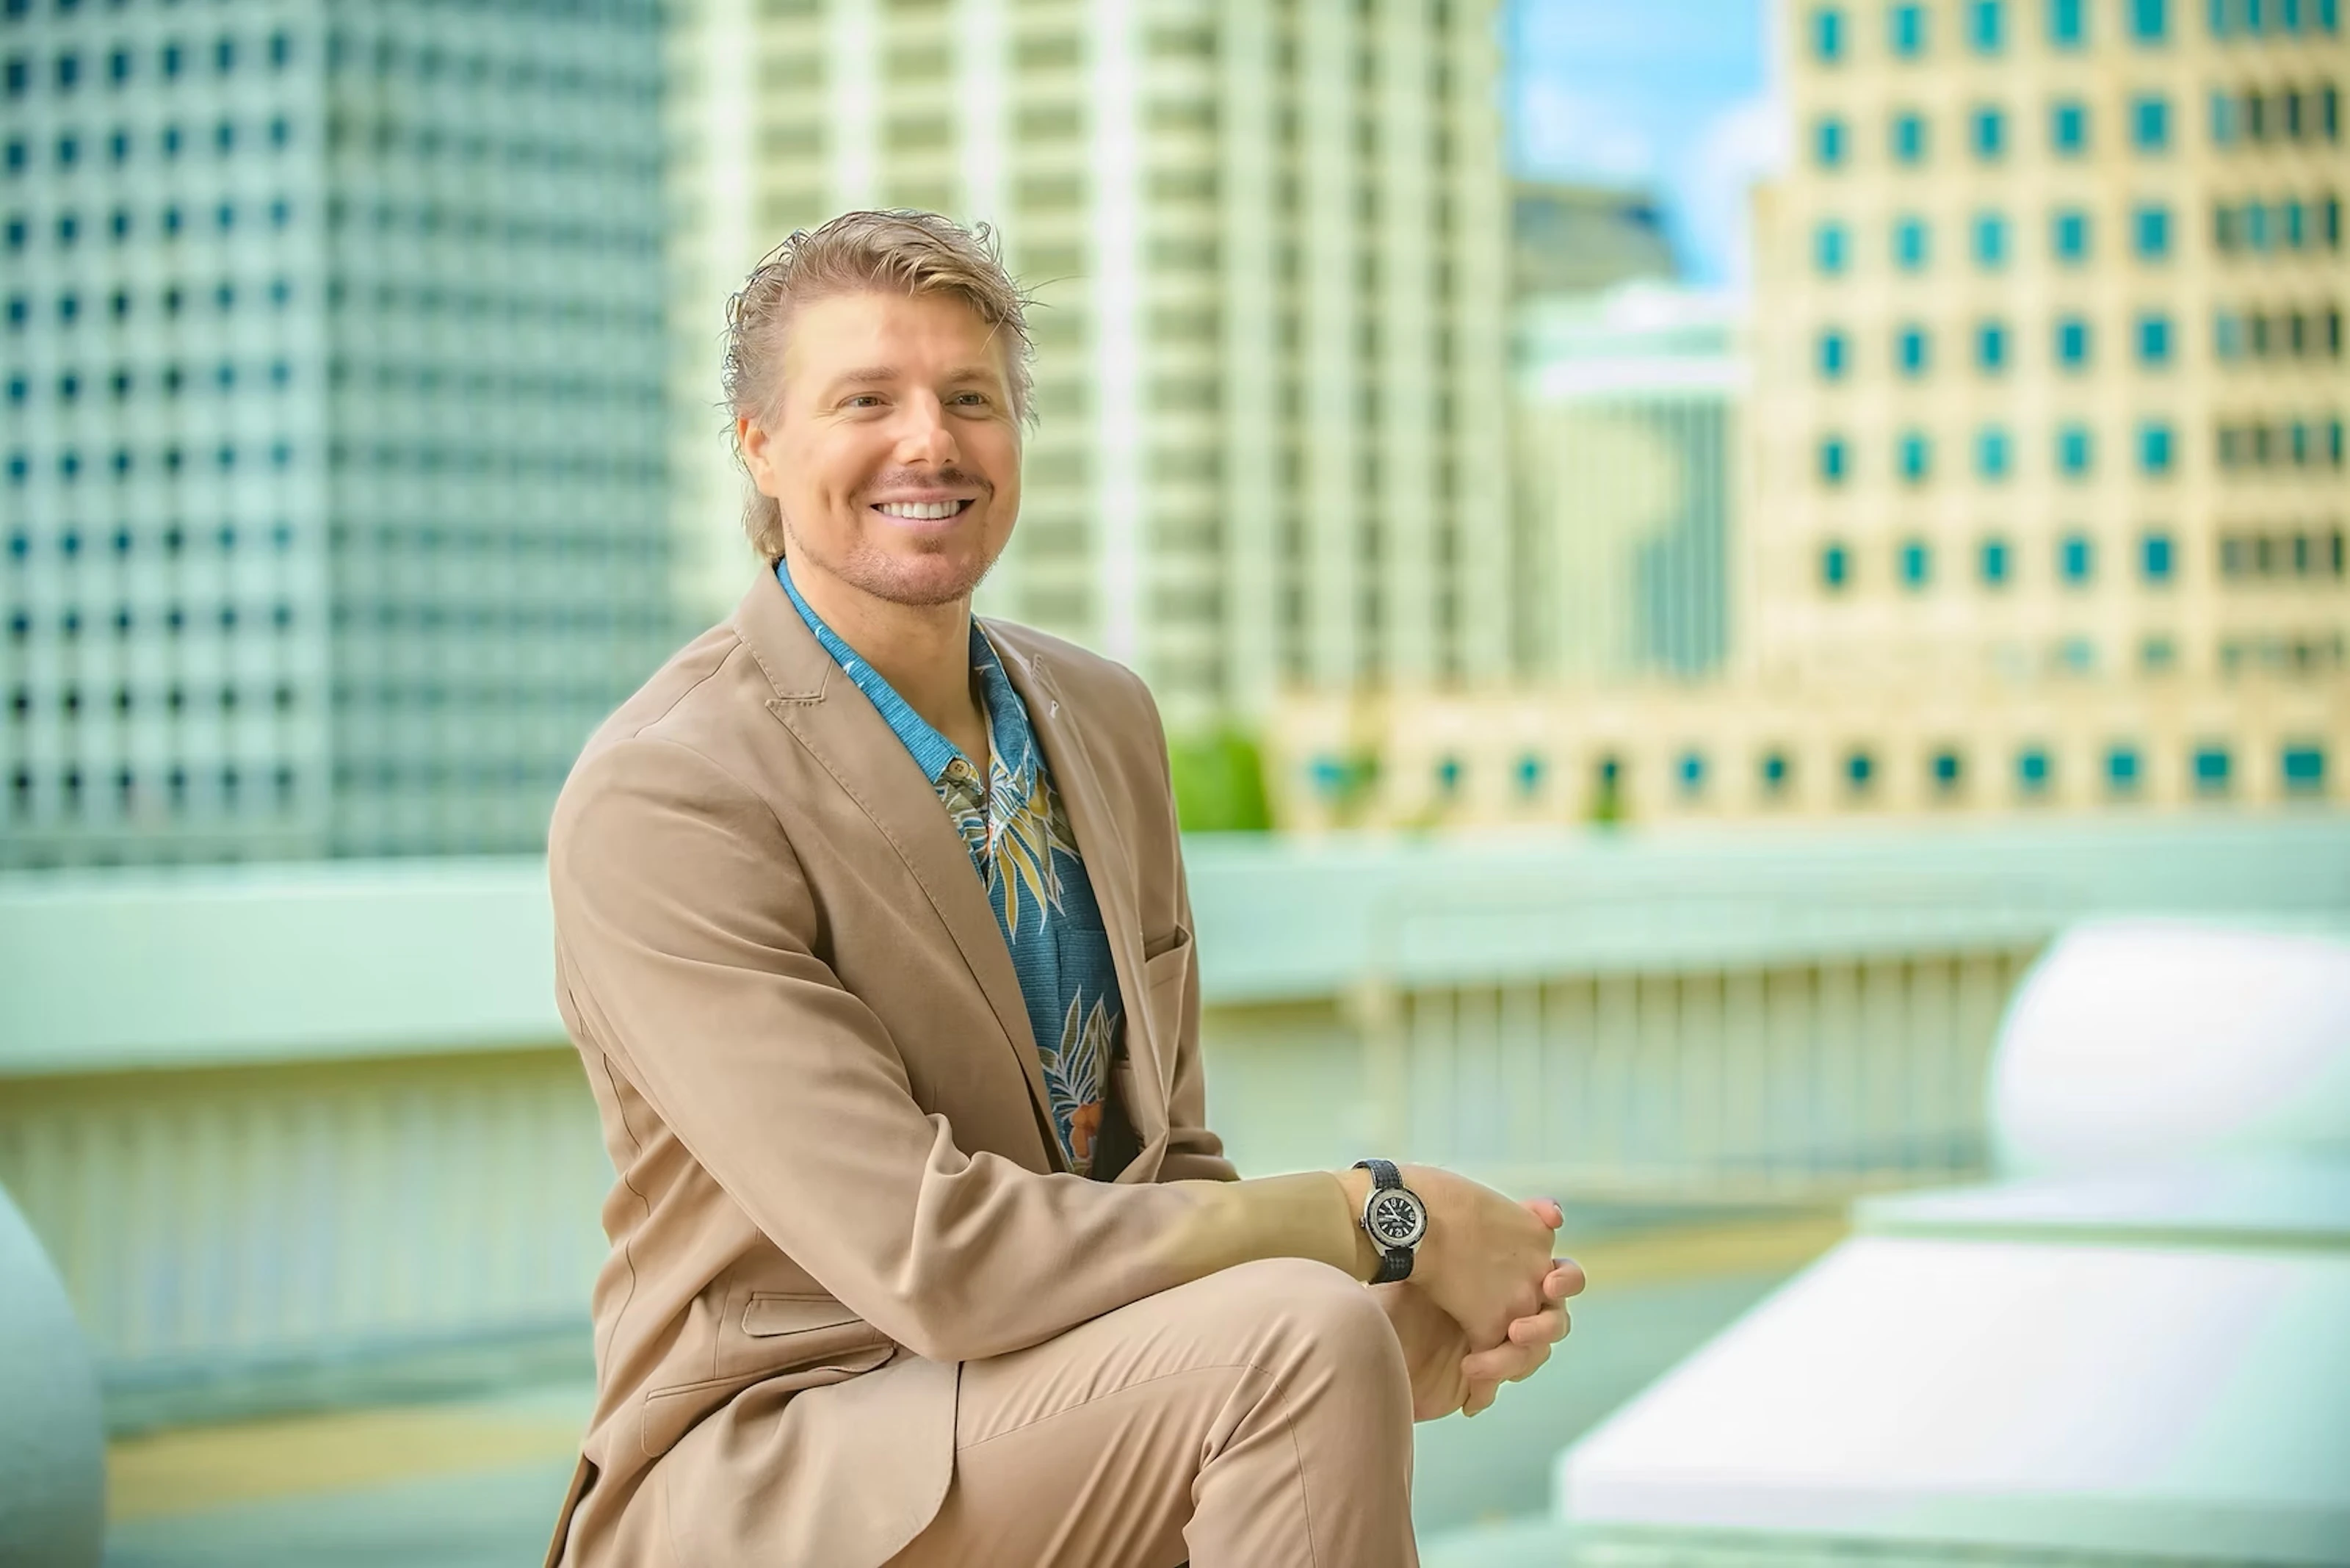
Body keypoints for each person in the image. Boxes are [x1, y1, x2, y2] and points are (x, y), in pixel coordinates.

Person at [541, 209, 1584, 1568]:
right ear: (761, 445)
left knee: (1321, 1337)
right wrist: (1378, 1216)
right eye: (867, 400)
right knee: (1302, 1334)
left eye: (970, 398)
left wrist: (1379, 1324)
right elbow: (935, 1254)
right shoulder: (669, 793)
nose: (930, 441)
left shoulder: (1101, 719)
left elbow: (1170, 1167)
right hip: (778, 1464)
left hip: (1042, 1408)